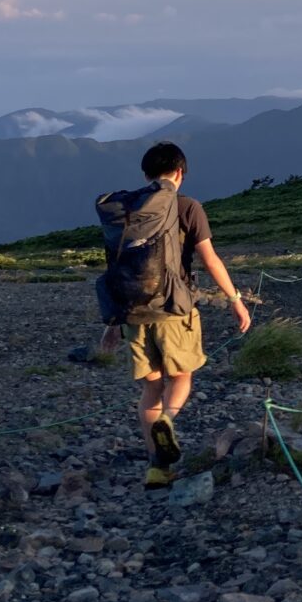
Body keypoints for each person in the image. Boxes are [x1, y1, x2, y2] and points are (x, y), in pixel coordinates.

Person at [96, 141, 251, 488]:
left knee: (150, 389)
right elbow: (210, 260)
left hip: (133, 313)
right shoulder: (188, 207)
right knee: (181, 378)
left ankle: (157, 468)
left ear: (146, 174)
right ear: (180, 172)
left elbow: (115, 268)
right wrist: (236, 300)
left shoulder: (128, 211)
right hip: (173, 310)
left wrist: (112, 324)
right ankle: (168, 420)